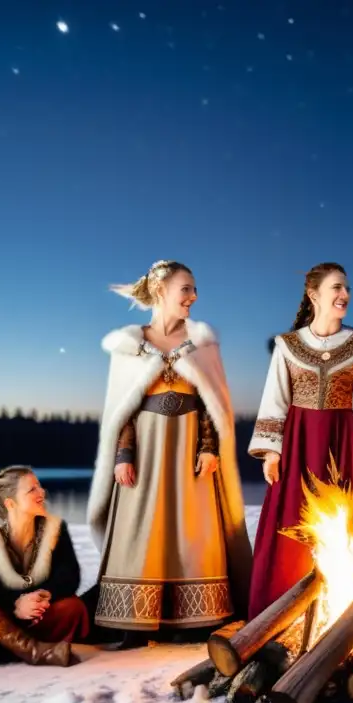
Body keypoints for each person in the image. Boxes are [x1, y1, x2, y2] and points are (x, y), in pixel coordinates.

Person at [87, 261, 252, 644]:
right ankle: (133, 622)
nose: (193, 297)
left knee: (191, 529)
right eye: (186, 289)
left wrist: (210, 448)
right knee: (142, 529)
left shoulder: (204, 344)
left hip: (190, 450)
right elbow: (120, 411)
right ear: (161, 289)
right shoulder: (129, 346)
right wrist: (123, 455)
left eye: (195, 290)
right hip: (145, 450)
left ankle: (194, 620)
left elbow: (214, 403)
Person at [248, 262, 353, 619]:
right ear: (314, 295)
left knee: (349, 520)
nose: (345, 295)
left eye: (347, 289)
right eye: (337, 288)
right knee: (293, 522)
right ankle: (286, 613)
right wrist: (271, 451)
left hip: (344, 442)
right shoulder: (288, 345)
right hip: (298, 443)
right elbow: (275, 398)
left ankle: (344, 610)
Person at [0, 466, 86, 671]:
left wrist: (43, 594)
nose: (42, 493)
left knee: (72, 608)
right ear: (10, 503)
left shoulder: (57, 531)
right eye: (32, 489)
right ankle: (36, 651)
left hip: (35, 619)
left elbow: (69, 576)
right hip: (1, 620)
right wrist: (16, 605)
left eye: (39, 486)